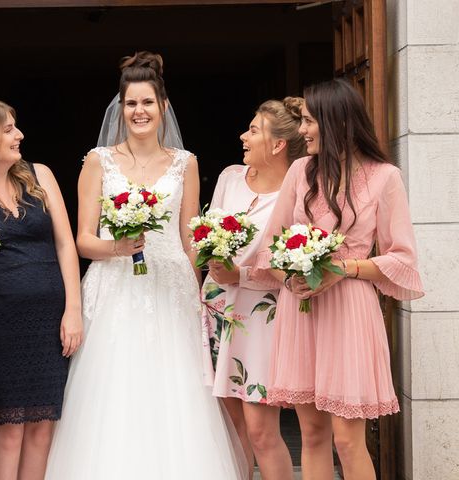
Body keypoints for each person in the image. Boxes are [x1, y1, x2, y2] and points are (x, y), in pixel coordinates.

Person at [44, 51, 247, 480]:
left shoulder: (185, 163)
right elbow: (82, 240)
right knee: (114, 390)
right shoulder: (98, 161)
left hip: (171, 288)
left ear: (164, 107)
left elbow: (190, 236)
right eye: (131, 104)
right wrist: (117, 247)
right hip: (114, 287)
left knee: (173, 392)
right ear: (121, 109)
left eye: (147, 103)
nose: (139, 112)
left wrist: (204, 291)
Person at [253, 78, 424, 480]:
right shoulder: (300, 171)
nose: (302, 130)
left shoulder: (385, 177)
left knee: (348, 440)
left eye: (309, 121)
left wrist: (341, 270)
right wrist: (290, 276)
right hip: (302, 312)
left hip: (350, 312)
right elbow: (269, 247)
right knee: (312, 434)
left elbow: (403, 257)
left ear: (337, 123)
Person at [0, 98, 82, 480]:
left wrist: (72, 309)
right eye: (7, 129)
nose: (18, 134)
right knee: (8, 430)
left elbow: (64, 244)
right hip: (0, 324)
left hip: (50, 321)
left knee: (43, 427)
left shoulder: (39, 175)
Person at [201, 97, 305, 480]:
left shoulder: (295, 194)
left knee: (262, 431)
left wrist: (239, 276)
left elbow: (290, 269)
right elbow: (206, 237)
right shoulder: (229, 177)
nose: (244, 136)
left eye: (254, 130)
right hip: (215, 310)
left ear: (278, 145)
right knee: (231, 429)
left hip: (262, 318)